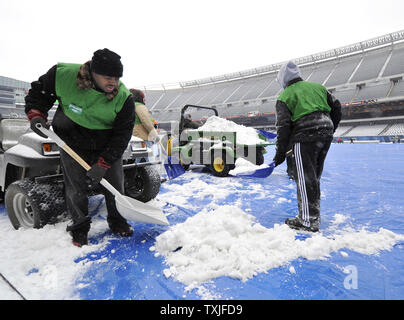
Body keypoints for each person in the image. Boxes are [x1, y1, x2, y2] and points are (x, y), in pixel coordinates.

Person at [25, 48, 136, 247]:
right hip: (71, 141)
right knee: (76, 188)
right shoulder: (62, 75)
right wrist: (36, 114)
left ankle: (118, 221)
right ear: (93, 72)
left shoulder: (124, 97)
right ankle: (79, 228)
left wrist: (104, 162)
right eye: (108, 77)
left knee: (116, 186)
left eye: (117, 78)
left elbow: (122, 135)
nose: (114, 83)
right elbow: (38, 94)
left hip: (106, 142)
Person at [273, 61, 341, 232]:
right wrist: (329, 127)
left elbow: (283, 127)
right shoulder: (319, 88)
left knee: (304, 178)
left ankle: (307, 221)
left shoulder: (284, 96)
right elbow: (337, 107)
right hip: (325, 132)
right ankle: (313, 215)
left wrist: (280, 153)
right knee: (314, 176)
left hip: (304, 136)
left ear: (282, 79)